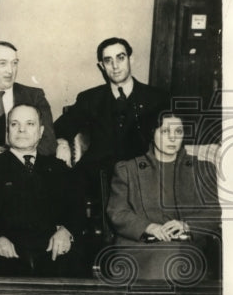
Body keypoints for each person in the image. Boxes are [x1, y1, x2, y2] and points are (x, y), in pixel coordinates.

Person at [0, 104, 86, 277]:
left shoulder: (58, 168)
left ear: (41, 131)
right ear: (7, 131)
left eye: (30, 124)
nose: (22, 129)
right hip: (5, 250)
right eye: (14, 124)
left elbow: (77, 208)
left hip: (52, 250)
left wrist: (66, 231)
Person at [106, 113, 221, 280]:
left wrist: (186, 225)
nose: (173, 138)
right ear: (152, 133)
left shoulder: (202, 168)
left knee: (175, 259)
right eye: (165, 131)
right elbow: (117, 212)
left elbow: (214, 212)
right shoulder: (128, 169)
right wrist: (149, 227)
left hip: (185, 247)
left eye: (179, 132)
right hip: (139, 246)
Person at [54, 37, 169, 202]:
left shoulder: (157, 98)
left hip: (141, 176)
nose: (115, 66)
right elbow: (60, 127)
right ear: (102, 66)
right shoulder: (90, 98)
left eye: (120, 58)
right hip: (96, 177)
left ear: (131, 59)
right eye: (108, 61)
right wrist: (62, 143)